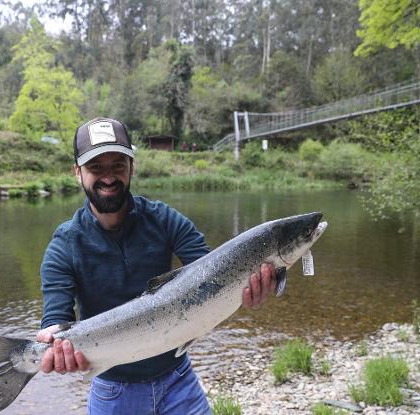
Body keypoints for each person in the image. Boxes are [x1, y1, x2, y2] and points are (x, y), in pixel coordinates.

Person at [37, 117, 276, 414]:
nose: (108, 177)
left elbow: (214, 272)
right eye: (96, 167)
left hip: (179, 382)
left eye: (118, 166)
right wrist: (52, 343)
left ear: (132, 168)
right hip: (113, 392)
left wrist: (245, 288)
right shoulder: (63, 246)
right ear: (77, 172)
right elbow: (56, 319)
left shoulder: (165, 220)